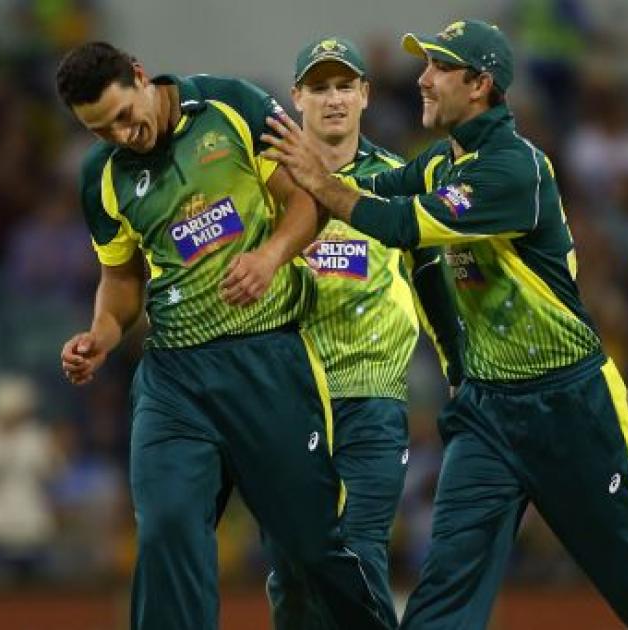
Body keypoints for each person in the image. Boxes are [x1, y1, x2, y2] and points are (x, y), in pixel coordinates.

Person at [264, 19, 628, 630]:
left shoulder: (513, 169)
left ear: (479, 85)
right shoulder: (441, 163)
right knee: (444, 593)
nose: (422, 80)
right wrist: (290, 176)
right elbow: (367, 187)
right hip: (488, 413)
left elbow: (399, 224)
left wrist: (318, 181)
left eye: (439, 68)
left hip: (569, 407)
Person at [54, 42, 389, 629]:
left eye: (124, 116)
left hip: (267, 359)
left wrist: (269, 257)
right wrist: (101, 334)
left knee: (310, 546)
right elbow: (121, 278)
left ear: (140, 75)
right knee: (166, 531)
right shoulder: (101, 176)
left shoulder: (230, 106)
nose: (121, 136)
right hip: (174, 379)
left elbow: (307, 200)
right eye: (100, 130)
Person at [263, 37, 464, 629]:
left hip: (371, 395)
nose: (333, 99)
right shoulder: (266, 180)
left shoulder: (397, 179)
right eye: (319, 87)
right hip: (289, 396)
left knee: (356, 549)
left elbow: (430, 279)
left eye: (344, 86)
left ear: (366, 95)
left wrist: (458, 369)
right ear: (296, 97)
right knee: (292, 569)